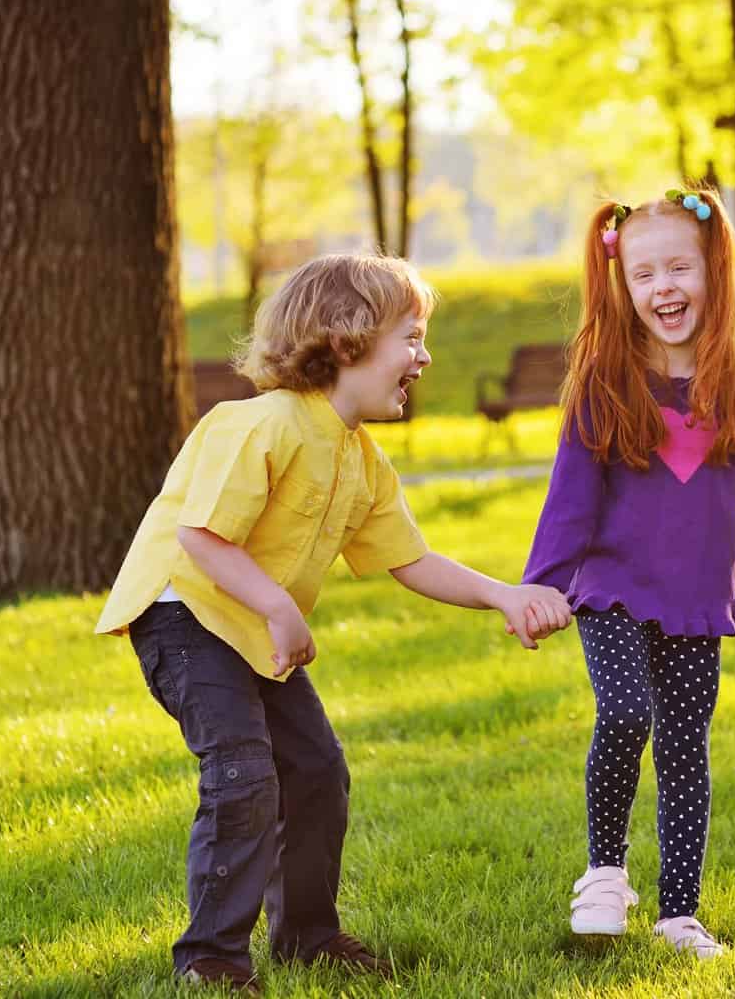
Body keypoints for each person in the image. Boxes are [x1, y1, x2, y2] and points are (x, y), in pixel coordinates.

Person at [96, 254, 572, 993]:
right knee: (242, 772)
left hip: (253, 626)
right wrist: (281, 607)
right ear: (347, 340)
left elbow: (410, 560)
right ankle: (212, 958)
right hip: (182, 612)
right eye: (411, 338)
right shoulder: (261, 423)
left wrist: (507, 597)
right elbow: (202, 539)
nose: (426, 356)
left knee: (316, 769)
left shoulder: (361, 458)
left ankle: (308, 937)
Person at [523, 189, 735, 959]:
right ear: (620, 287)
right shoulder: (603, 384)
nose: (663, 287)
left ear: (714, 273)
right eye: (643, 275)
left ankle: (678, 915)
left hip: (697, 604)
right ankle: (605, 873)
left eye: (679, 268)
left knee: (685, 748)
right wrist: (541, 584)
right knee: (627, 713)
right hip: (610, 594)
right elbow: (569, 501)